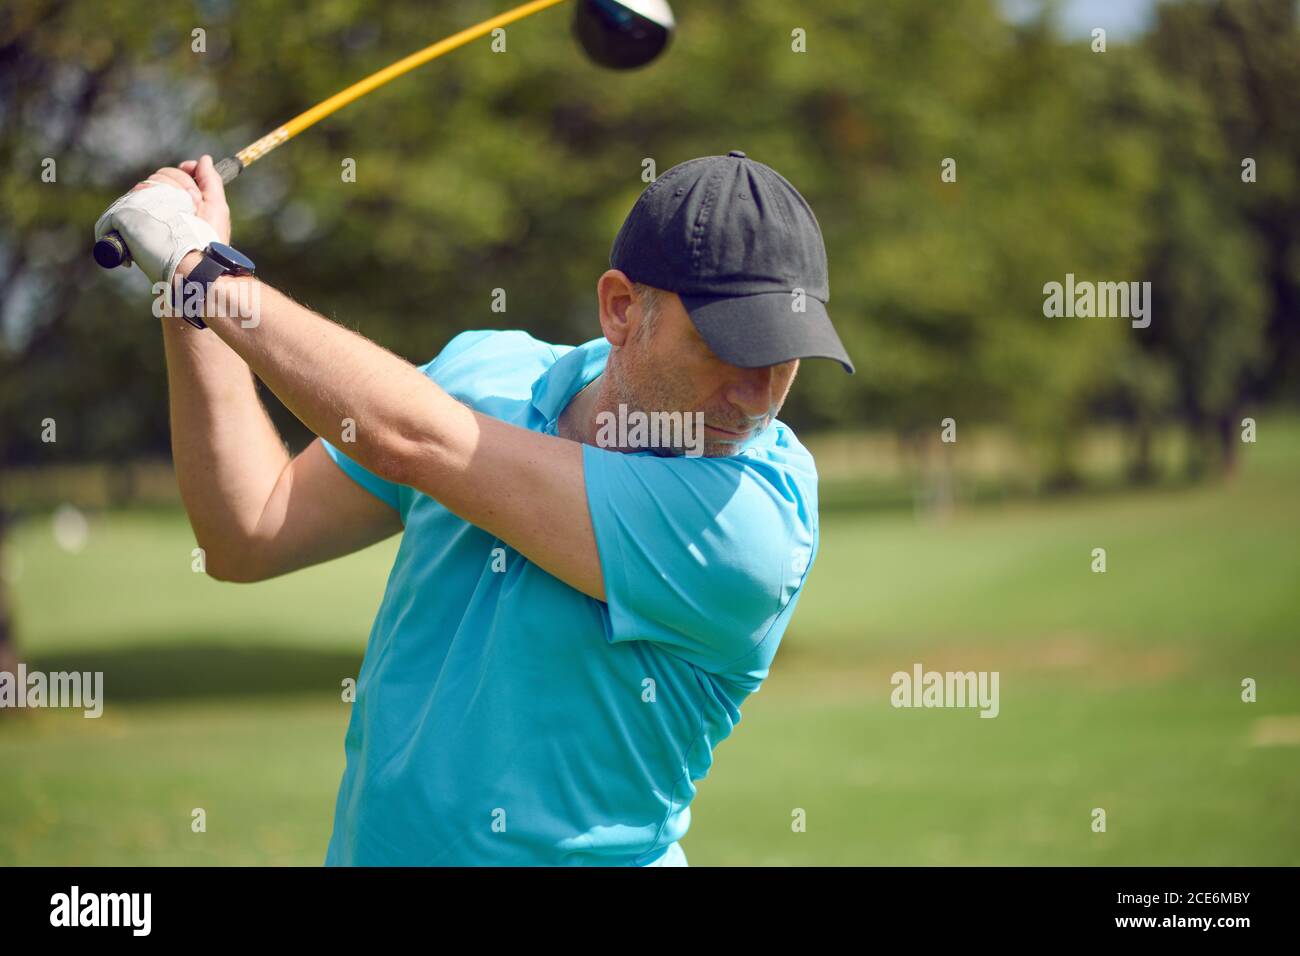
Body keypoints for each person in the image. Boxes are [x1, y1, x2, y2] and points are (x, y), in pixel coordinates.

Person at [94, 149, 855, 865]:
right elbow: (248, 531)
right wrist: (182, 293)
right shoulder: (485, 375)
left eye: (783, 358)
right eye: (728, 348)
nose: (757, 399)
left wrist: (202, 268)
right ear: (622, 309)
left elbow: (416, 439)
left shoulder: (751, 523)